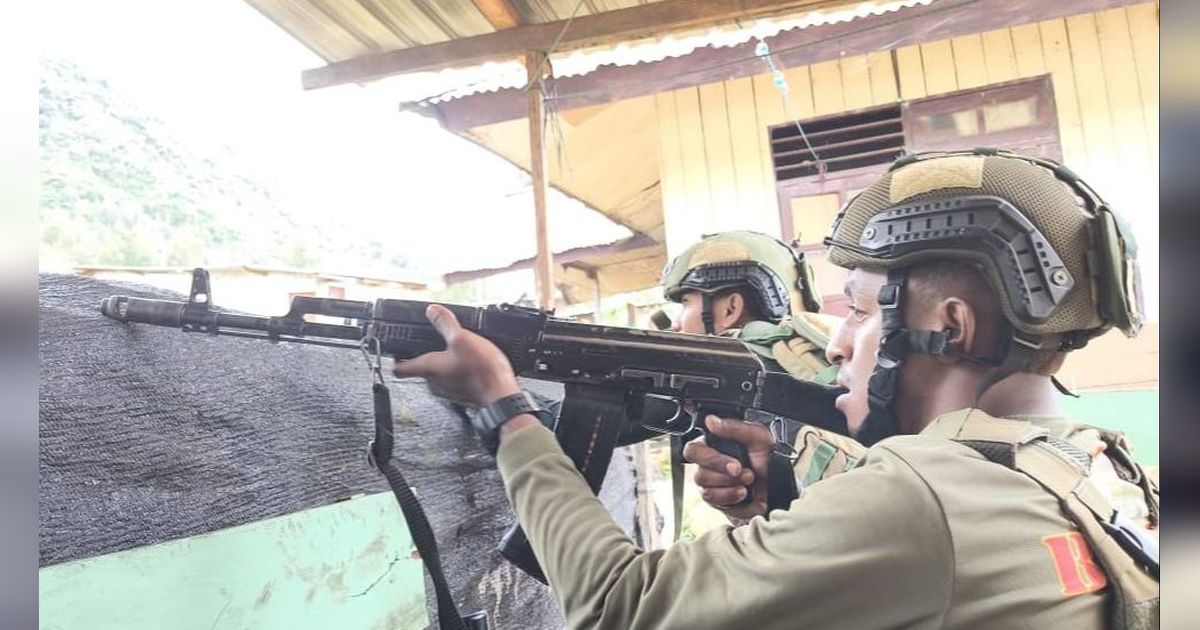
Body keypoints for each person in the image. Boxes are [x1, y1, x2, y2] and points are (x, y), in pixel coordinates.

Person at [394, 149, 1158, 628]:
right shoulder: (1096, 463)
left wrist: (507, 408)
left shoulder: (922, 497)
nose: (838, 340)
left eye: (857, 311)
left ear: (949, 327)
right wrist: (790, 498)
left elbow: (623, 607)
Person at [658, 230, 865, 508]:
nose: (676, 324)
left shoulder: (758, 381)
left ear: (730, 309)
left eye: (684, 303)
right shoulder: (825, 369)